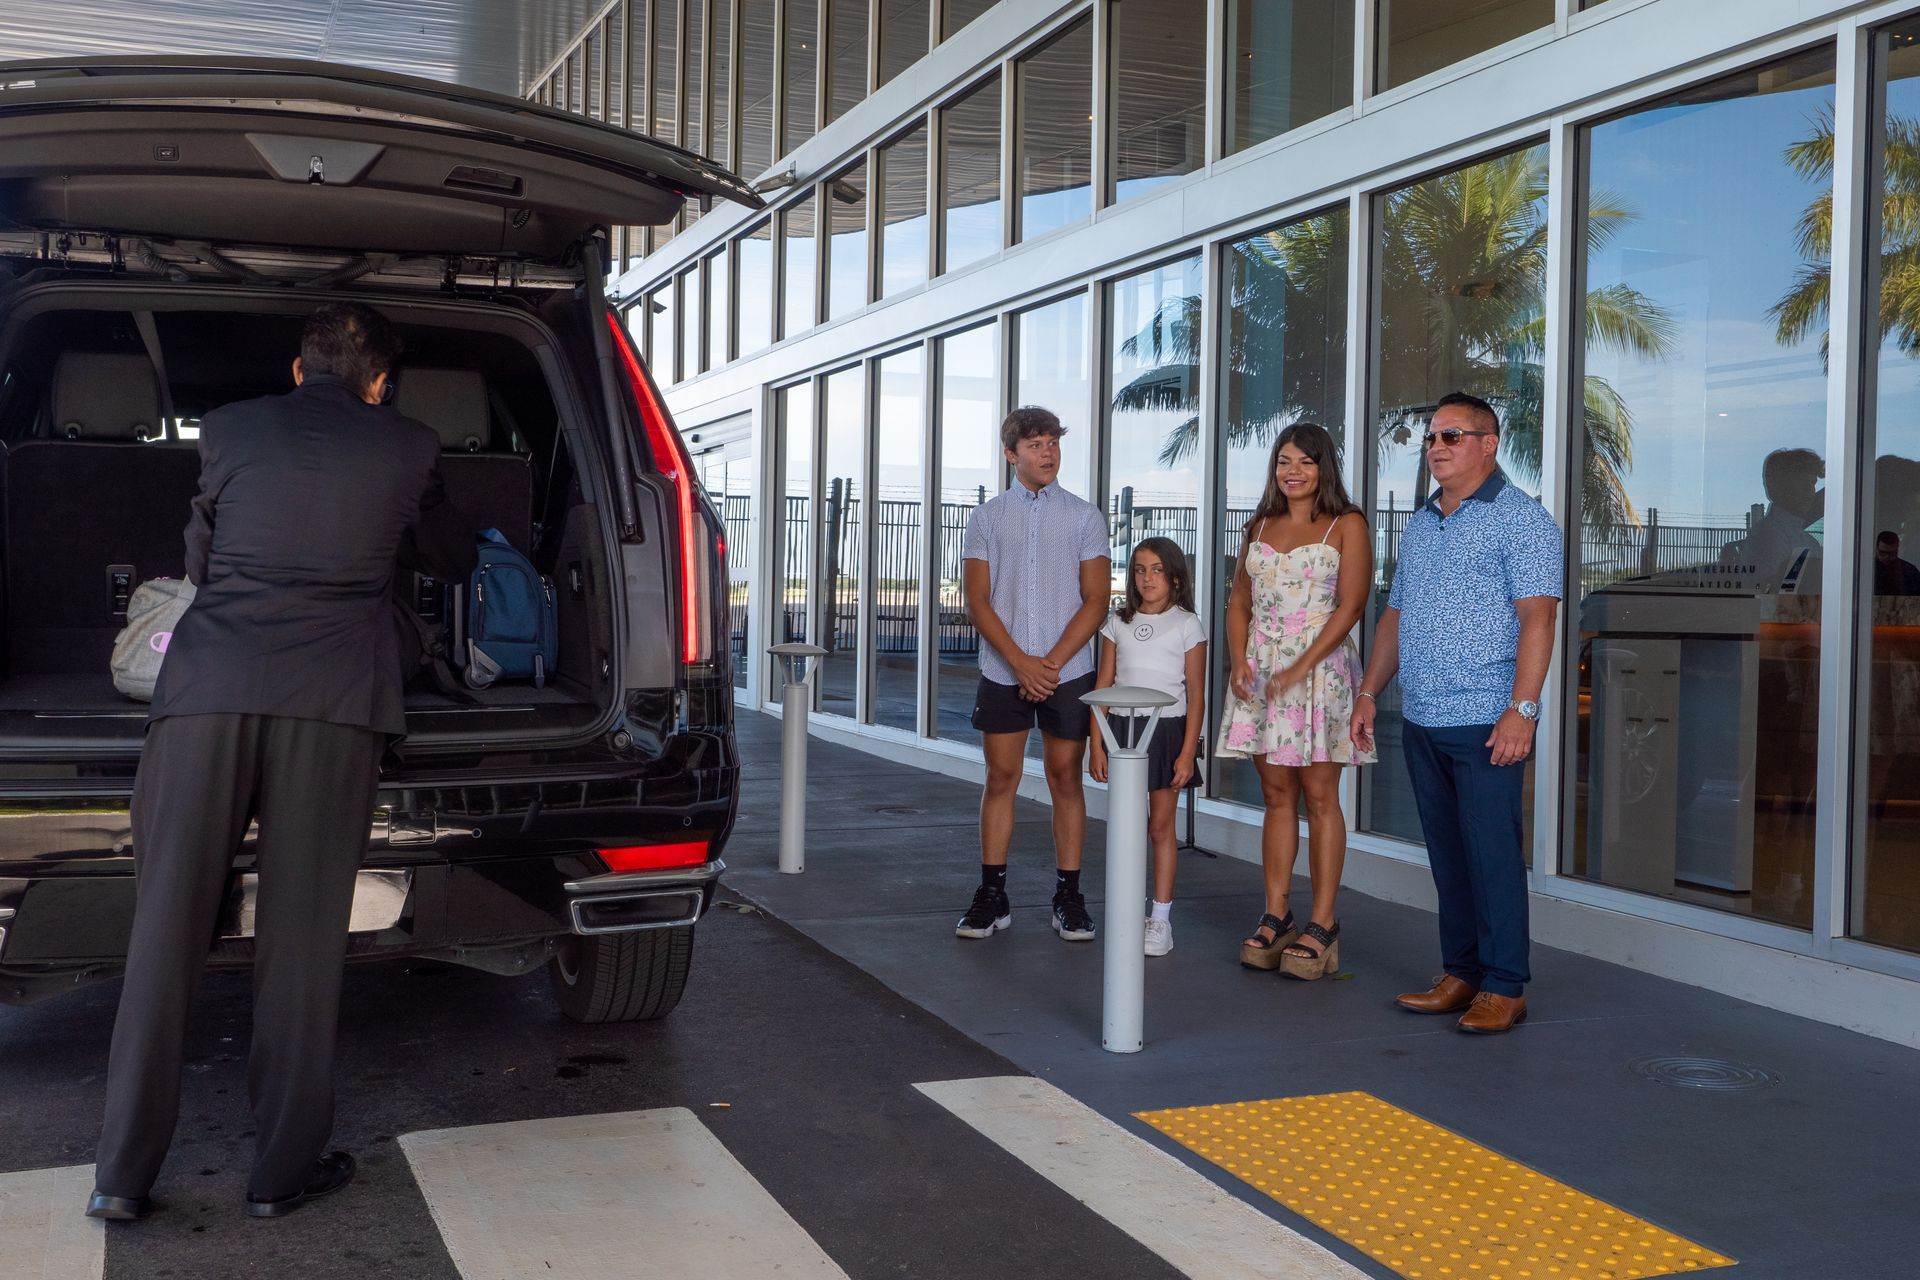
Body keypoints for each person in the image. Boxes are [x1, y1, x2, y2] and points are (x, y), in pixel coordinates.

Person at [88, 303, 476, 1221]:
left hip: (207, 694)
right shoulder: (409, 445)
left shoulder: (228, 430)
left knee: (166, 927)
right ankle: (279, 1174)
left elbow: (202, 562)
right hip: (334, 704)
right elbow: (452, 560)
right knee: (301, 943)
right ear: (379, 385)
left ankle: (121, 1175)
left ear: (300, 371)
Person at [1351, 392, 1561, 1034]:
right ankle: (1462, 971)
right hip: (1423, 718)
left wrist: (1522, 710)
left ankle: (1505, 985)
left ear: (1489, 444)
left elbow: (1539, 616)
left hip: (1486, 720)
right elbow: (1397, 615)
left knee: (1491, 852)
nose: (1437, 447)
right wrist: (1367, 692)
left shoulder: (1523, 521)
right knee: (1447, 853)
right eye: (1432, 438)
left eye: (1453, 436)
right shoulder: (1421, 523)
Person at [1215, 423, 1373, 981]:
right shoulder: (1258, 524)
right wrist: (1239, 660)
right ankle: (1276, 914)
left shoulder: (1347, 523)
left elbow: (1352, 605)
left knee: (1320, 796)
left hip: (1320, 671)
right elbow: (1238, 601)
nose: (1294, 471)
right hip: (1262, 672)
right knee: (1275, 793)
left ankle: (1324, 923)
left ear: (1323, 466)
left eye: (1305, 461)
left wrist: (1302, 666)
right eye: (1284, 461)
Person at [956, 406, 1110, 942]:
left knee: (1065, 778)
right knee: (1001, 779)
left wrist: (1048, 664)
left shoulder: (1086, 516)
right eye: (1037, 444)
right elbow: (976, 600)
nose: (1048, 453)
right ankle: (992, 897)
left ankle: (1069, 897)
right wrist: (1020, 662)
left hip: (1067, 671)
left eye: (1053, 443)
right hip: (1003, 669)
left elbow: (1096, 601)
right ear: (1011, 453)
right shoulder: (988, 518)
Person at [1088, 538, 1207, 957]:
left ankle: (1160, 920)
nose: (1147, 578)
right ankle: (1126, 911)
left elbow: (1195, 693)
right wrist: (1096, 744)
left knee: (1160, 827)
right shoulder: (1116, 622)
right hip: (1120, 729)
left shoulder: (1187, 623)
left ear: (1174, 576)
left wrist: (1187, 752)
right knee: (1126, 826)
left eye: (1156, 569)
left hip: (1167, 733)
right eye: (1139, 569)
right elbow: (1102, 685)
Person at [1875, 530, 1920, 596]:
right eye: (1882, 553)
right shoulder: (1868, 569)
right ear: (1876, 549)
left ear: (1898, 549)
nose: (1887, 557)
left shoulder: (1909, 570)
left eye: (1892, 553)